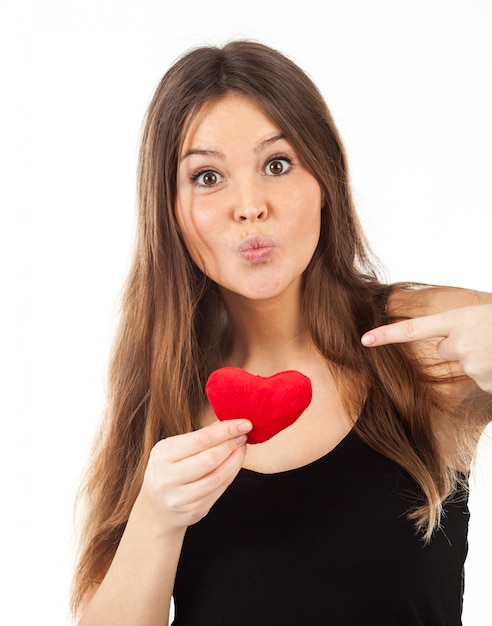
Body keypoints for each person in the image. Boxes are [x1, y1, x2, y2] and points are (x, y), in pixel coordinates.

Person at [70, 40, 492, 625]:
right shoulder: (159, 393)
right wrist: (157, 518)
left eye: (277, 164)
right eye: (208, 176)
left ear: (325, 179)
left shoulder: (421, 340)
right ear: (168, 208)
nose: (250, 206)